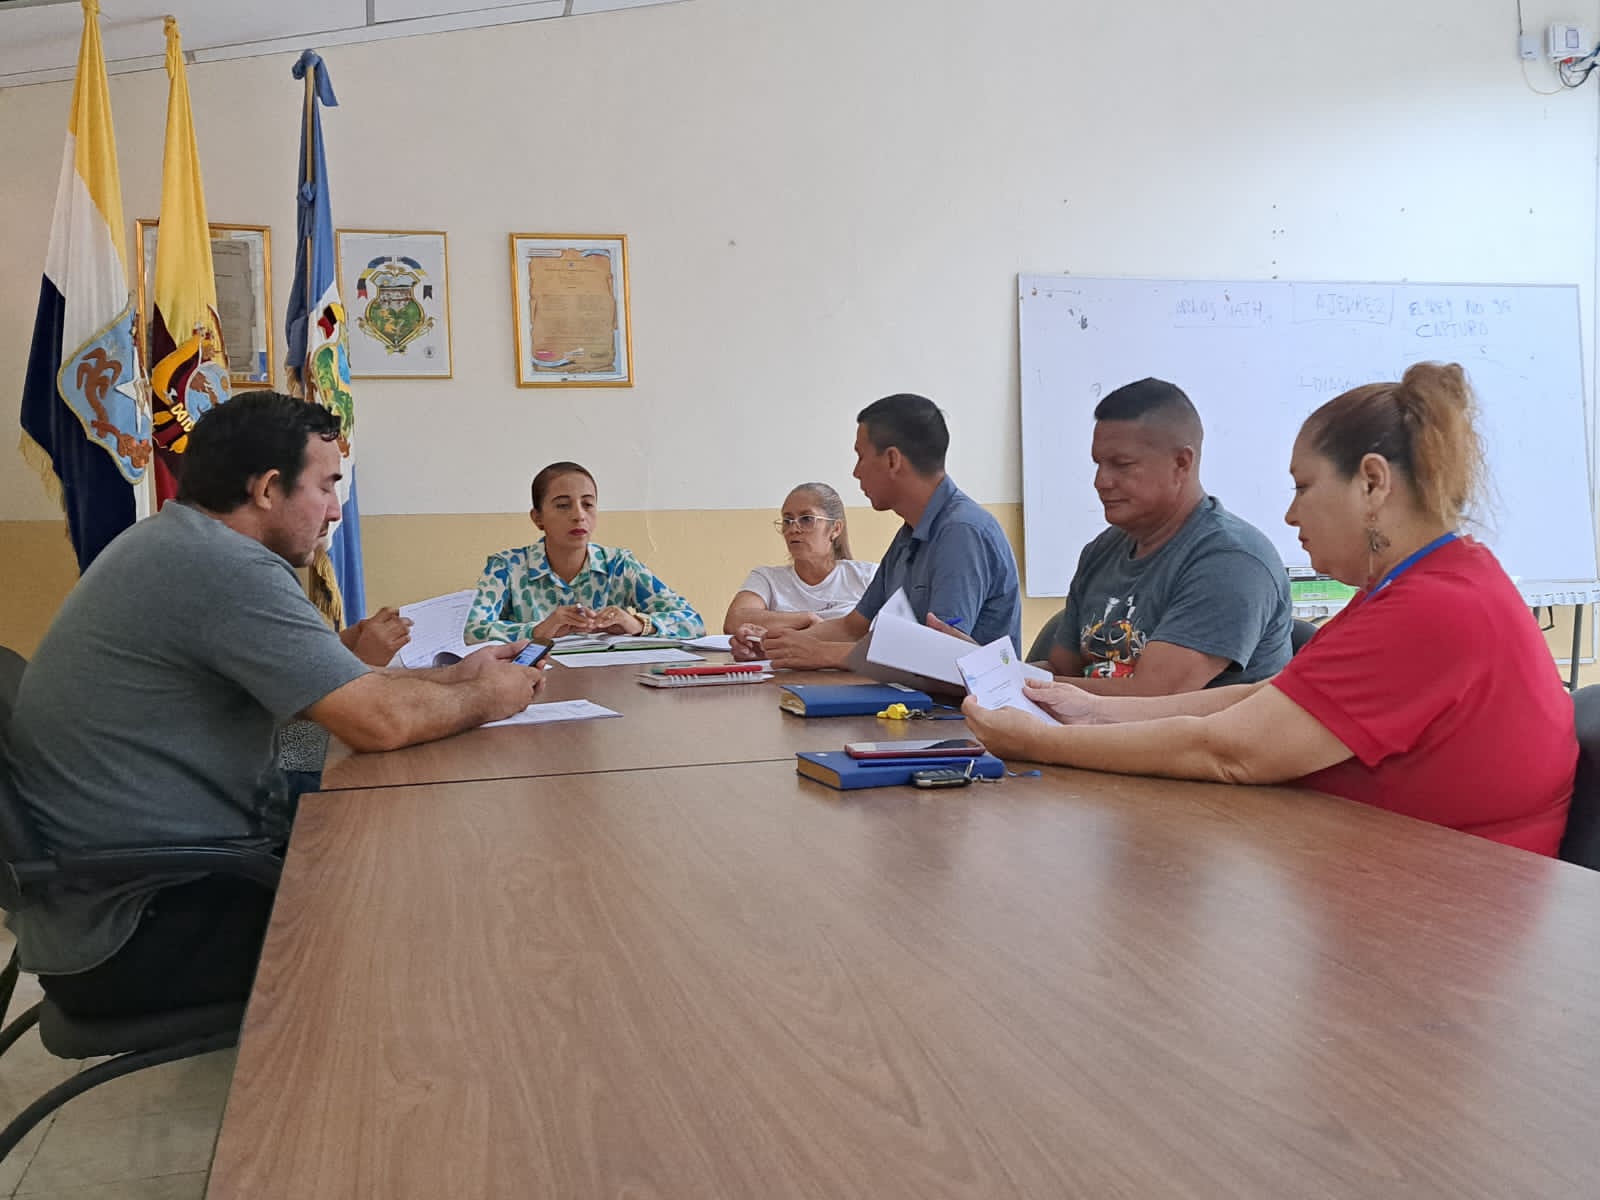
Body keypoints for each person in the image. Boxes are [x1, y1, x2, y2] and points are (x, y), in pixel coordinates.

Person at [5, 391, 547, 1018]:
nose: (336, 510)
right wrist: (488, 697)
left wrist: (457, 680)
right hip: (138, 927)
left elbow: (328, 703)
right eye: (327, 486)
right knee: (432, 906)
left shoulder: (181, 544)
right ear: (267, 489)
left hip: (134, 892)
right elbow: (376, 722)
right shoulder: (224, 567)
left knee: (392, 850)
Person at [964, 363, 1575, 856]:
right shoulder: (1418, 584)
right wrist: (1091, 711)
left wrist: (1041, 742)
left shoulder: (1437, 607)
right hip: (1377, 870)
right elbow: (1274, 697)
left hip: (1448, 909)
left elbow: (1229, 750)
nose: (1290, 514)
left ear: (1372, 483)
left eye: (1304, 487)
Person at [732, 393, 1020, 668]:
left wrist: (824, 654)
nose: (856, 472)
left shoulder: (961, 533)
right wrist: (775, 645)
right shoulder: (909, 533)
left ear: (893, 460)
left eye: (861, 457)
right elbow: (852, 627)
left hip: (963, 703)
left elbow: (940, 658)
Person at [1047, 378, 1292, 692]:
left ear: (1181, 463)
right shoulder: (1100, 551)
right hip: (1091, 723)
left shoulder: (1231, 562)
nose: (1101, 481)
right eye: (1098, 464)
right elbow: (1060, 670)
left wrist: (1030, 690)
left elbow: (1152, 698)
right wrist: (994, 681)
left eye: (1121, 465)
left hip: (1173, 726)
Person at [464, 461, 704, 644]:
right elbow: (470, 631)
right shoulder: (507, 567)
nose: (579, 515)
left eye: (588, 504)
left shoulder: (619, 565)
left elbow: (693, 621)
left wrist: (638, 624)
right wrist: (538, 630)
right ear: (537, 518)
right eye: (562, 505)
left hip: (606, 680)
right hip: (531, 681)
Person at [721, 482, 877, 634]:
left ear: (835, 529)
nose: (793, 529)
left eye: (806, 519)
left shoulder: (868, 577)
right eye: (787, 521)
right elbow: (735, 620)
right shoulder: (767, 578)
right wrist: (806, 619)